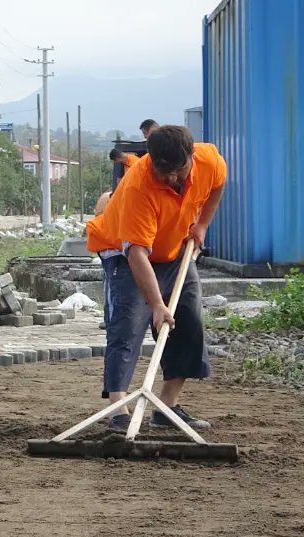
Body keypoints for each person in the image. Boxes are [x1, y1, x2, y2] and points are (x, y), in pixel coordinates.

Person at [85, 125, 226, 431]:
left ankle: (167, 407)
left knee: (189, 321)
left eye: (179, 170)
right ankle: (119, 412)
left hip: (175, 249)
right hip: (124, 253)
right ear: (152, 161)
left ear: (191, 156)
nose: (173, 178)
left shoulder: (210, 160)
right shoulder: (138, 186)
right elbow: (136, 255)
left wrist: (201, 225)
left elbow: (218, 185)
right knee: (128, 324)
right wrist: (157, 305)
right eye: (165, 173)